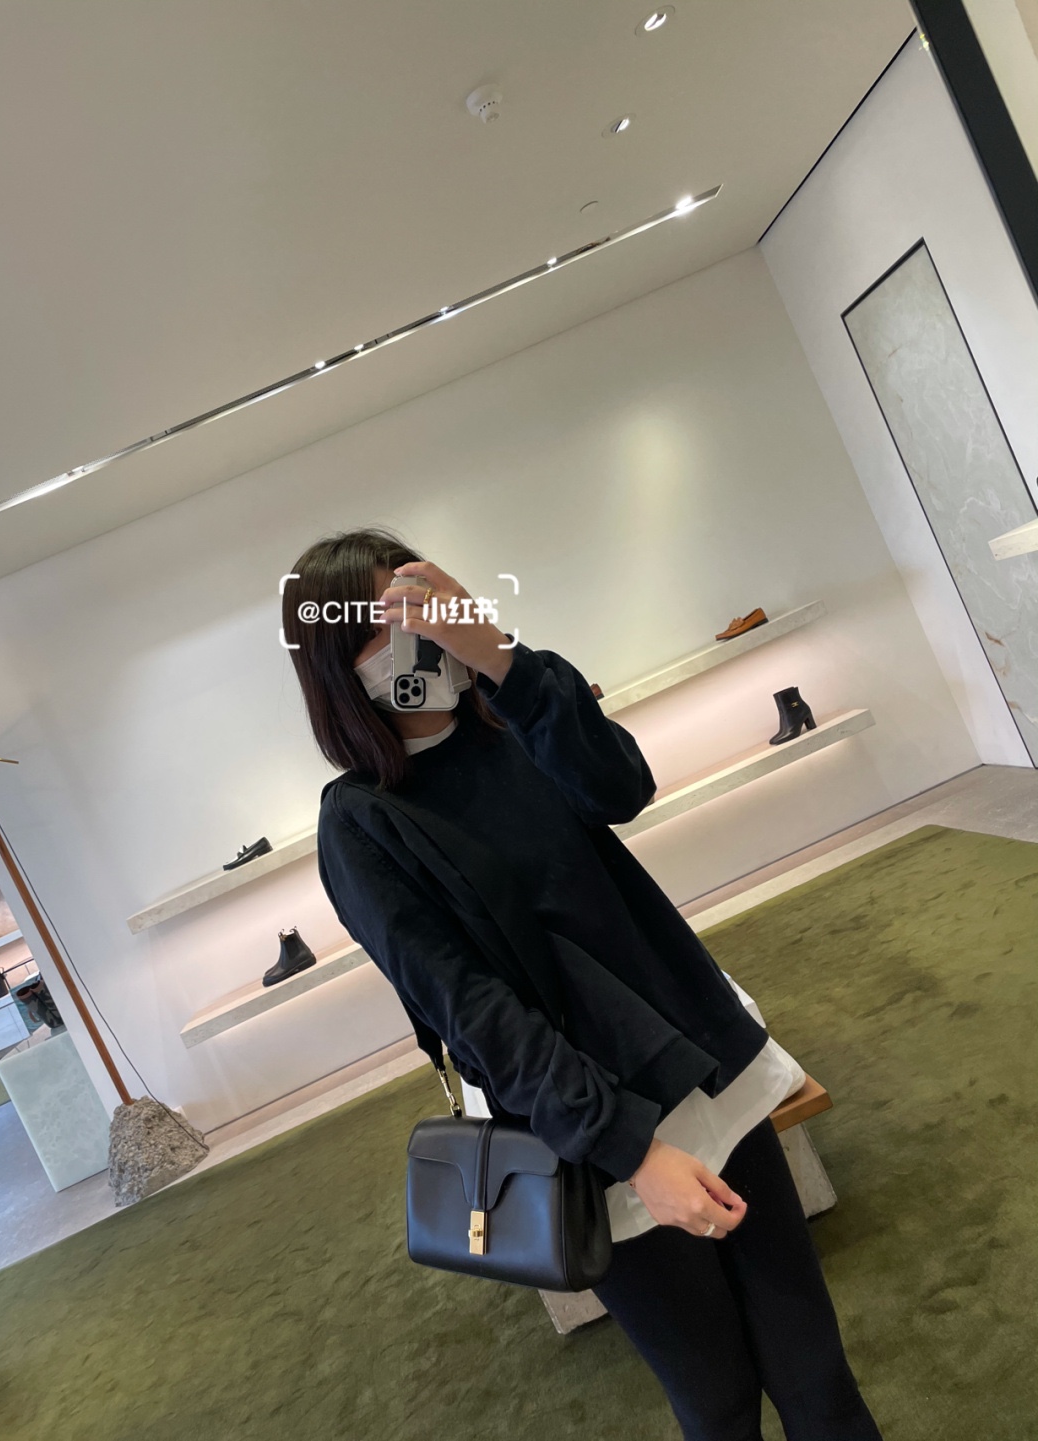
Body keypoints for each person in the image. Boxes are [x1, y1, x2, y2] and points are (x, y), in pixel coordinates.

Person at [284, 526, 883, 1441]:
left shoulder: (519, 716)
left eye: (419, 604)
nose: (409, 634)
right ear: (335, 664)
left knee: (817, 1371)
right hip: (592, 1132)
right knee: (718, 1401)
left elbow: (622, 785)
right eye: (378, 624)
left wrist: (500, 656)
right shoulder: (362, 823)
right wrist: (632, 1150)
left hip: (705, 1065)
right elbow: (474, 1011)